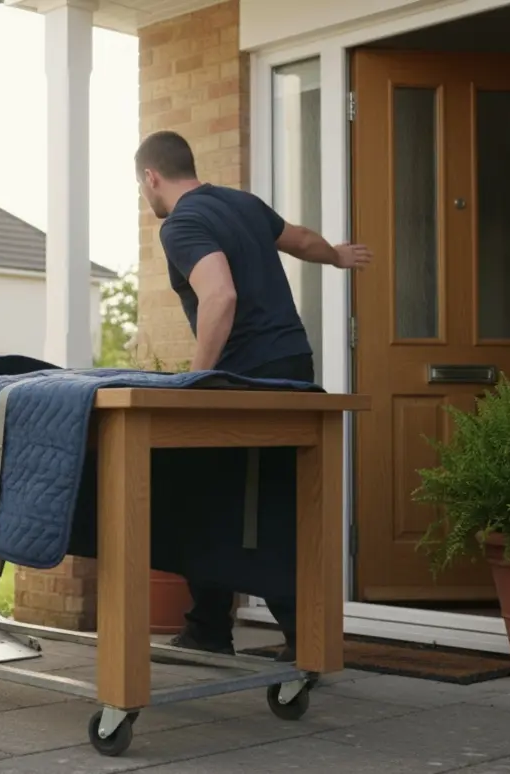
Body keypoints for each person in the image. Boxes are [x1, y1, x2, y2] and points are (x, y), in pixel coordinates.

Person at [134, 130, 372, 661]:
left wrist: (195, 382)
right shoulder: (242, 204)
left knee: (218, 501)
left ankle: (229, 630)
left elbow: (221, 295)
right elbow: (301, 239)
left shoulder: (182, 224)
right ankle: (223, 627)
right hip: (293, 363)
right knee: (261, 497)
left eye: (142, 186)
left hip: (243, 376)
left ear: (152, 177)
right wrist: (336, 256)